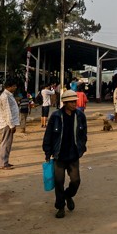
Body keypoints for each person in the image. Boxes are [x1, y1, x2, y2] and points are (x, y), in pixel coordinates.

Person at [42, 89, 88, 218]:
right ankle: (60, 207)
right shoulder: (56, 116)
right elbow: (49, 135)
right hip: (59, 155)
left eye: (75, 102)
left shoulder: (80, 116)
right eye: (72, 102)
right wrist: (47, 151)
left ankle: (68, 195)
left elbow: (83, 134)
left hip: (73, 155)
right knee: (59, 182)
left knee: (76, 181)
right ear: (65, 103)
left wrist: (82, 147)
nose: (74, 104)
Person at [0, 80, 20, 170]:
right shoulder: (5, 96)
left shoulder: (9, 95)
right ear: (9, 86)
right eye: (14, 86)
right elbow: (7, 112)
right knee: (6, 143)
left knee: (8, 143)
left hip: (9, 123)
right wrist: (11, 125)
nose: (15, 88)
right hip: (7, 123)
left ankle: (5, 161)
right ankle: (3, 163)